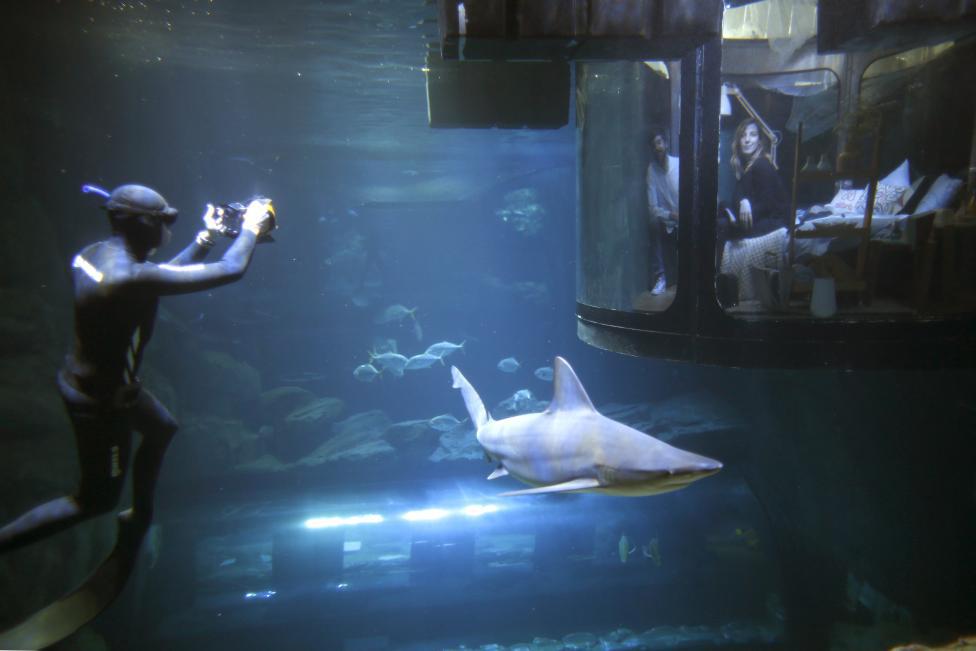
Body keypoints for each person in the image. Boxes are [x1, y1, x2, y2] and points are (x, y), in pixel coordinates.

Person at [0, 184, 275, 555]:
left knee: (162, 427)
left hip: (98, 382)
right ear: (146, 225)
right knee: (93, 500)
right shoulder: (128, 278)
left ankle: (140, 513)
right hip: (101, 402)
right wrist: (251, 229)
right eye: (166, 220)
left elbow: (154, 279)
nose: (168, 227)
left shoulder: (95, 256)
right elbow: (231, 269)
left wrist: (205, 238)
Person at [722, 118, 789, 239]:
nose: (747, 140)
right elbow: (736, 200)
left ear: (759, 141)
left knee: (722, 226)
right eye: (743, 136)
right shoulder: (747, 169)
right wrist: (743, 201)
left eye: (753, 135)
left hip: (773, 226)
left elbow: (768, 204)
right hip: (759, 222)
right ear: (738, 140)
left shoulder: (761, 164)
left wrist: (741, 208)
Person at [646, 129, 679, 294]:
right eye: (653, 145)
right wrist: (670, 215)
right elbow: (652, 208)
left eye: (659, 143)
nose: (657, 147)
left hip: (685, 219)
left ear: (665, 144)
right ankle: (661, 277)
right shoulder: (651, 170)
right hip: (668, 220)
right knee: (653, 223)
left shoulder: (678, 164)